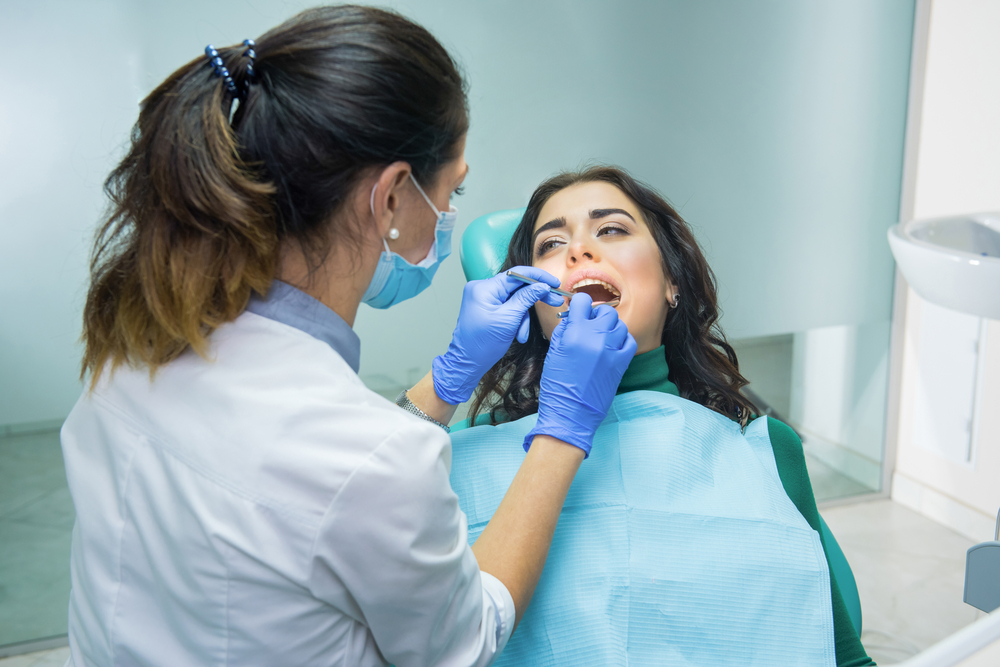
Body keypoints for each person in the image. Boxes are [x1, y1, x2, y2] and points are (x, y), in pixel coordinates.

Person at [61, 7, 635, 667]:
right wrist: (564, 430)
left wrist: (446, 381)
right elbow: (466, 636)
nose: (450, 217)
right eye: (451, 192)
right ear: (391, 197)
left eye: (613, 231)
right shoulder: (374, 458)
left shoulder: (133, 345)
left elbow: (318, 476)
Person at [449, 166, 876, 667]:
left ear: (672, 281)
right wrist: (443, 384)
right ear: (531, 307)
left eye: (611, 229)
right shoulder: (455, 457)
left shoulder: (766, 451)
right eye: (550, 245)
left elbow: (840, 654)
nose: (578, 250)